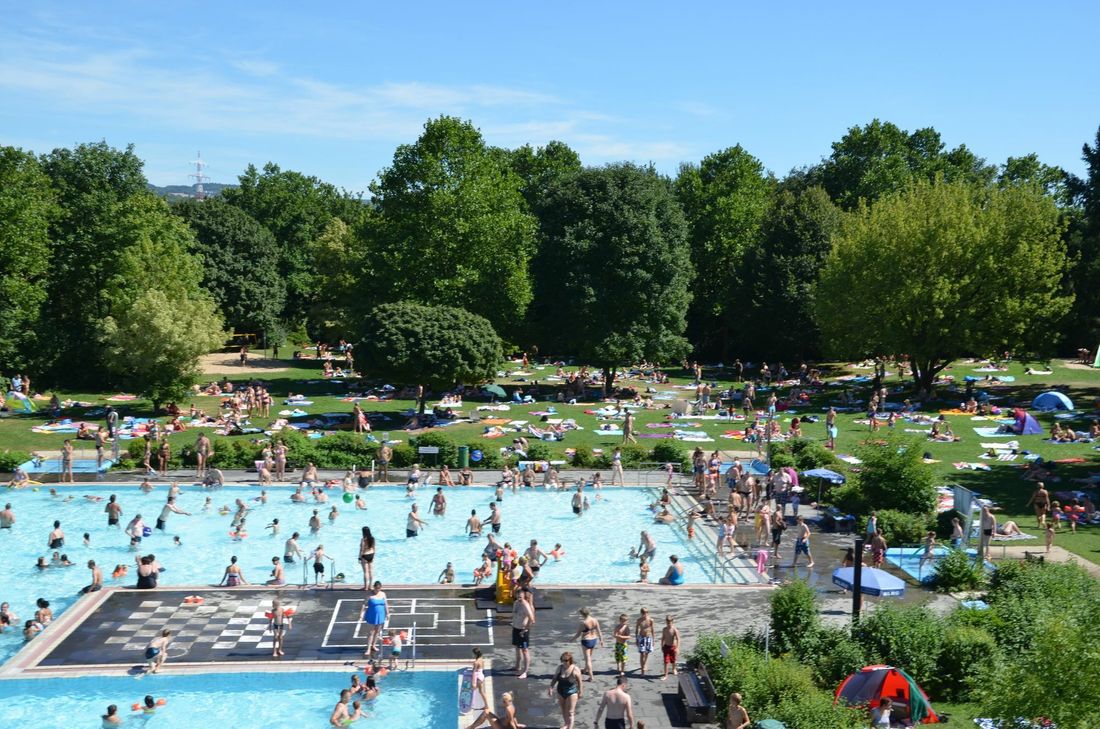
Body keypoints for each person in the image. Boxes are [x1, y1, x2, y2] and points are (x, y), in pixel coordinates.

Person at [549, 651, 584, 729]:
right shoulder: (560, 668)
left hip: (571, 692)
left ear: (570, 660)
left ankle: (569, 727)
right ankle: (566, 724)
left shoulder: (575, 669)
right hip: (560, 691)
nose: (563, 662)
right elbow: (554, 678)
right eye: (562, 660)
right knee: (563, 709)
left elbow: (580, 682)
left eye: (565, 660)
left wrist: (581, 691)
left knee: (570, 712)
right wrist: (551, 687)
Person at [573, 607, 604, 681]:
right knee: (589, 656)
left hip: (586, 641)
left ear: (582, 614)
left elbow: (578, 634)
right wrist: (601, 640)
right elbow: (599, 631)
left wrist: (571, 639)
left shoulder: (583, 623)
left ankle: (591, 676)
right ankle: (585, 669)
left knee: (588, 659)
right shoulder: (595, 620)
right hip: (594, 639)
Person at [511, 587, 535, 679]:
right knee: (517, 648)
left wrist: (525, 630)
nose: (519, 598)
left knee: (525, 650)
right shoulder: (516, 603)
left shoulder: (526, 605)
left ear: (524, 596)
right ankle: (517, 666)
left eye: (520, 597)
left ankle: (525, 671)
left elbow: (532, 619)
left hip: (523, 631)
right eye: (517, 596)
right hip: (516, 628)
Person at [363, 581, 388, 657]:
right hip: (371, 615)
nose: (378, 590)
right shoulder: (370, 595)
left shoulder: (383, 594)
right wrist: (361, 614)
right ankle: (368, 649)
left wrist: (388, 613)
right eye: (377, 588)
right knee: (371, 632)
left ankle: (373, 645)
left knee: (377, 631)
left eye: (379, 588)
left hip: (380, 615)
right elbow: (364, 604)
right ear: (374, 587)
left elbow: (386, 604)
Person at [635, 608, 656, 675]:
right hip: (641, 637)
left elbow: (652, 630)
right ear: (641, 613)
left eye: (646, 612)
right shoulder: (639, 620)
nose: (645, 613)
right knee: (642, 653)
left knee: (647, 653)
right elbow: (636, 630)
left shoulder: (651, 620)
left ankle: (645, 664)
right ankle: (642, 670)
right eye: (644, 612)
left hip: (648, 637)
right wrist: (636, 639)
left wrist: (653, 640)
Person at [659, 615, 680, 680]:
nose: (669, 623)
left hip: (673, 647)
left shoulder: (674, 630)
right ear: (666, 622)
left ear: (672, 622)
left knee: (673, 660)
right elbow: (663, 638)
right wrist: (661, 646)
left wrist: (677, 648)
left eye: (670, 622)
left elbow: (678, 639)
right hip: (666, 647)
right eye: (667, 622)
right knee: (666, 661)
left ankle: (674, 669)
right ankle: (666, 675)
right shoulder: (664, 629)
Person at [471, 648, 489, 716]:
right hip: (481, 676)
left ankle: (471, 705)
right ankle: (486, 705)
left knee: (475, 691)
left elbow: (474, 672)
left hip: (478, 678)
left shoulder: (475, 662)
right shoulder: (481, 659)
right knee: (481, 692)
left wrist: (473, 682)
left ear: (475, 654)